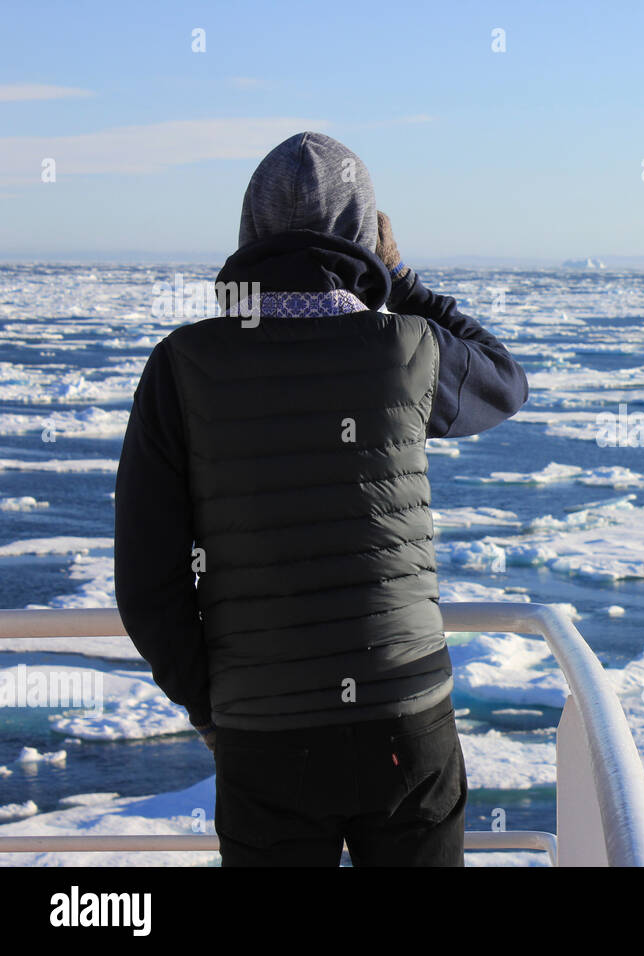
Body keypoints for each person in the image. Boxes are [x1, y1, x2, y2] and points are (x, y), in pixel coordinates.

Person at [113, 131, 528, 866]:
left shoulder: (184, 365)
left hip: (264, 736)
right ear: (363, 232)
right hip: (406, 719)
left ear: (250, 231)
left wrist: (213, 706)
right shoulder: (407, 348)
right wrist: (400, 277)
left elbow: (148, 578)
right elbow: (503, 381)